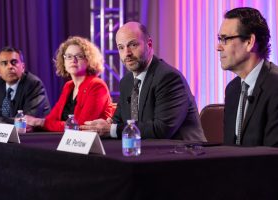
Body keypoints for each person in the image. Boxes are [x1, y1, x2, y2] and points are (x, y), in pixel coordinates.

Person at [81, 21, 206, 141]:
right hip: (145, 153)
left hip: (183, 154)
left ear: (149, 44)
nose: (127, 53)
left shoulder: (168, 78)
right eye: (121, 47)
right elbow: (119, 120)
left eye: (133, 45)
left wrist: (112, 129)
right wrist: (107, 124)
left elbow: (162, 129)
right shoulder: (126, 82)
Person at [217, 7, 278, 146]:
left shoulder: (275, 87)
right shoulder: (232, 90)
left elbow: (273, 156)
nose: (218, 47)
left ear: (249, 42)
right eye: (219, 39)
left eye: (225, 39)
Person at [26, 36, 114, 131]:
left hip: (90, 142)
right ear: (63, 61)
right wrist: (40, 123)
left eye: (79, 56)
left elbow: (81, 126)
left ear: (89, 60)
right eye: (68, 56)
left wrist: (39, 122)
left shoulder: (97, 85)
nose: (73, 60)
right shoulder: (69, 86)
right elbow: (51, 119)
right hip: (67, 140)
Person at [0, 46, 51, 128]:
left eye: (14, 62)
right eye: (4, 63)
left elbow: (26, 122)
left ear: (23, 67)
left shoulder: (34, 84)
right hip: (2, 138)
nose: (10, 67)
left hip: (32, 139)